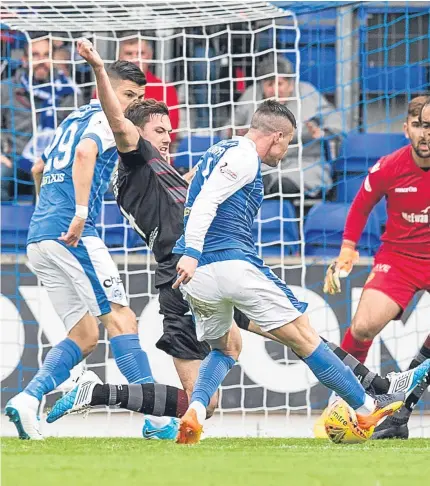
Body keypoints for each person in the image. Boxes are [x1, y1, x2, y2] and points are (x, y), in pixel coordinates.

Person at [171, 99, 408, 444]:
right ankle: (365, 405)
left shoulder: (219, 151)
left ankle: (195, 409)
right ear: (278, 136)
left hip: (200, 279)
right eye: (289, 143)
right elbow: (206, 201)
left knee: (225, 349)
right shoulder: (244, 155)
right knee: (305, 335)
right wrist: (191, 252)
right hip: (228, 263)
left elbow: (195, 191)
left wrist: (193, 255)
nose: (286, 151)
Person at [4, 59, 154, 441]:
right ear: (106, 89)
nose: (133, 103)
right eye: (127, 95)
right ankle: (159, 416)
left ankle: (27, 399)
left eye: (139, 97)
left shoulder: (71, 120)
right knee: (123, 321)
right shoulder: (105, 119)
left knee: (85, 334)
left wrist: (49, 212)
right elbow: (86, 155)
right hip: (75, 234)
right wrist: (80, 212)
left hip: (40, 237)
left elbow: (39, 168)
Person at [322, 96, 430, 439]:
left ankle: (400, 412)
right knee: (364, 325)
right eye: (418, 126)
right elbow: (360, 205)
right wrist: (348, 248)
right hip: (398, 259)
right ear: (405, 129)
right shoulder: (389, 166)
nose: (425, 134)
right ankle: (342, 396)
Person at [232, 55, 342, 198]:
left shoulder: (308, 93)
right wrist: (235, 133)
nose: (275, 90)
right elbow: (230, 126)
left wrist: (322, 132)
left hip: (304, 163)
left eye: (280, 84)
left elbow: (336, 121)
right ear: (262, 86)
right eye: (270, 84)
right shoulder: (251, 95)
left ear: (290, 84)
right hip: (262, 165)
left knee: (285, 184)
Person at [1, 36, 83, 200]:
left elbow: (78, 134)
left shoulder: (69, 92)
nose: (41, 61)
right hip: (14, 160)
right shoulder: (5, 88)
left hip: (52, 163)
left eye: (46, 55)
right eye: (35, 55)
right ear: (24, 60)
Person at [114, 35, 179, 143]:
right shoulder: (105, 89)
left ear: (149, 56)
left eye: (141, 53)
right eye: (129, 54)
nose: (135, 59)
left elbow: (171, 132)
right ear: (120, 57)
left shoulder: (166, 90)